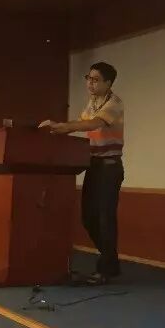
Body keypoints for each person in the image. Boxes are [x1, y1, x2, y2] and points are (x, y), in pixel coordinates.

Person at [40, 62, 124, 284]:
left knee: (105, 218)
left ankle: (106, 268)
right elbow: (82, 124)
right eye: (88, 78)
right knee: (88, 217)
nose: (90, 83)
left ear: (108, 83)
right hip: (93, 165)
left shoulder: (114, 103)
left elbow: (92, 124)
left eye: (96, 80)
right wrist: (61, 128)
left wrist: (64, 127)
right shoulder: (93, 102)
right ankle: (111, 261)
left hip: (109, 167)